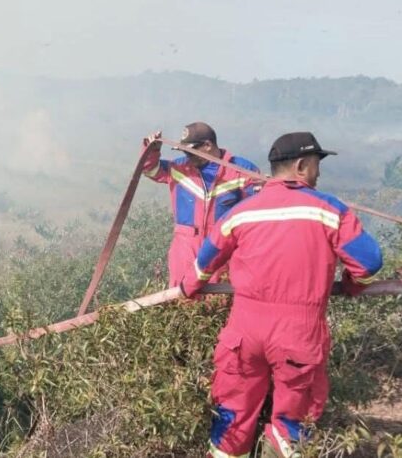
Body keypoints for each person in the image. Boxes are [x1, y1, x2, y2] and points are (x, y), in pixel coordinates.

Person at [180, 132, 383, 457]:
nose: (318, 173)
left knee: (231, 420)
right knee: (292, 426)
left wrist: (187, 289)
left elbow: (203, 264)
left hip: (243, 334)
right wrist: (352, 285)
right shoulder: (330, 210)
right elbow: (369, 264)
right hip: (298, 335)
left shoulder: (241, 212)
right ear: (302, 165)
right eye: (317, 165)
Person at [142, 122, 260, 287]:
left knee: (217, 303)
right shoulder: (179, 167)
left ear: (207, 145)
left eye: (191, 151)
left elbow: (257, 212)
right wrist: (152, 150)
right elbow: (150, 170)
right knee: (182, 302)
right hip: (185, 249)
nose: (187, 155)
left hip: (222, 250)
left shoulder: (242, 170)